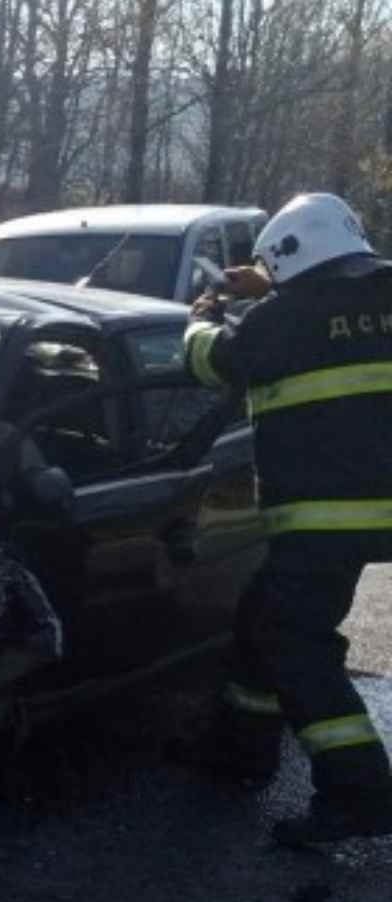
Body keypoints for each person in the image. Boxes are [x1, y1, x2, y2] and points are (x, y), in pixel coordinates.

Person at [175, 192, 392, 844]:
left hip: (328, 518)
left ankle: (359, 792)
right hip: (369, 510)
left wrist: (201, 317)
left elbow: (212, 360)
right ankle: (241, 750)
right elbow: (340, 307)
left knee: (297, 643)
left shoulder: (282, 317)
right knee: (262, 619)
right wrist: (269, 284)